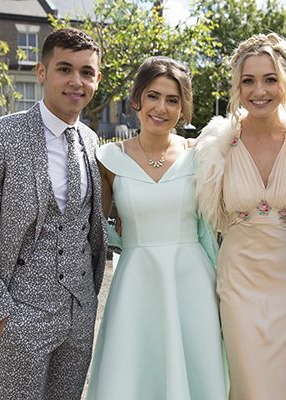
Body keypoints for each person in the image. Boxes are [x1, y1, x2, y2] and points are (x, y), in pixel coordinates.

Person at [0, 27, 107, 399]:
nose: (76, 81)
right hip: (20, 314)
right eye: (64, 69)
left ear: (97, 79)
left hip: (80, 313)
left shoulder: (90, 140)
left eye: (86, 72)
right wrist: (0, 315)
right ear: (42, 72)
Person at [195, 33, 286, 400]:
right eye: (249, 80)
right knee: (248, 386)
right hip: (239, 285)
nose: (260, 90)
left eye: (270, 79)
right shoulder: (216, 147)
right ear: (237, 86)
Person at [86, 56, 227, 400]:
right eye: (153, 96)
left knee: (196, 370)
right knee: (135, 373)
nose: (161, 107)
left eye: (173, 99)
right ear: (136, 100)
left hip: (191, 281)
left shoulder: (201, 155)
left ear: (183, 109)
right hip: (136, 281)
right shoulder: (107, 159)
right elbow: (94, 232)